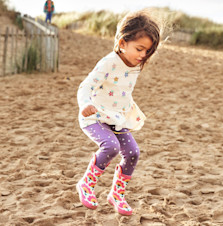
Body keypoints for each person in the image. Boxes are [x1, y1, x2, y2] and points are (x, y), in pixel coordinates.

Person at [76, 10, 162, 216]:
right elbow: (85, 86)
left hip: (117, 118)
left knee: (133, 152)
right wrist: (85, 104)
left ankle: (117, 194)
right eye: (139, 49)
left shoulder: (136, 65)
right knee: (111, 146)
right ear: (122, 43)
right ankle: (86, 184)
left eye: (147, 51)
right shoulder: (108, 62)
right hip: (94, 117)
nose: (143, 55)